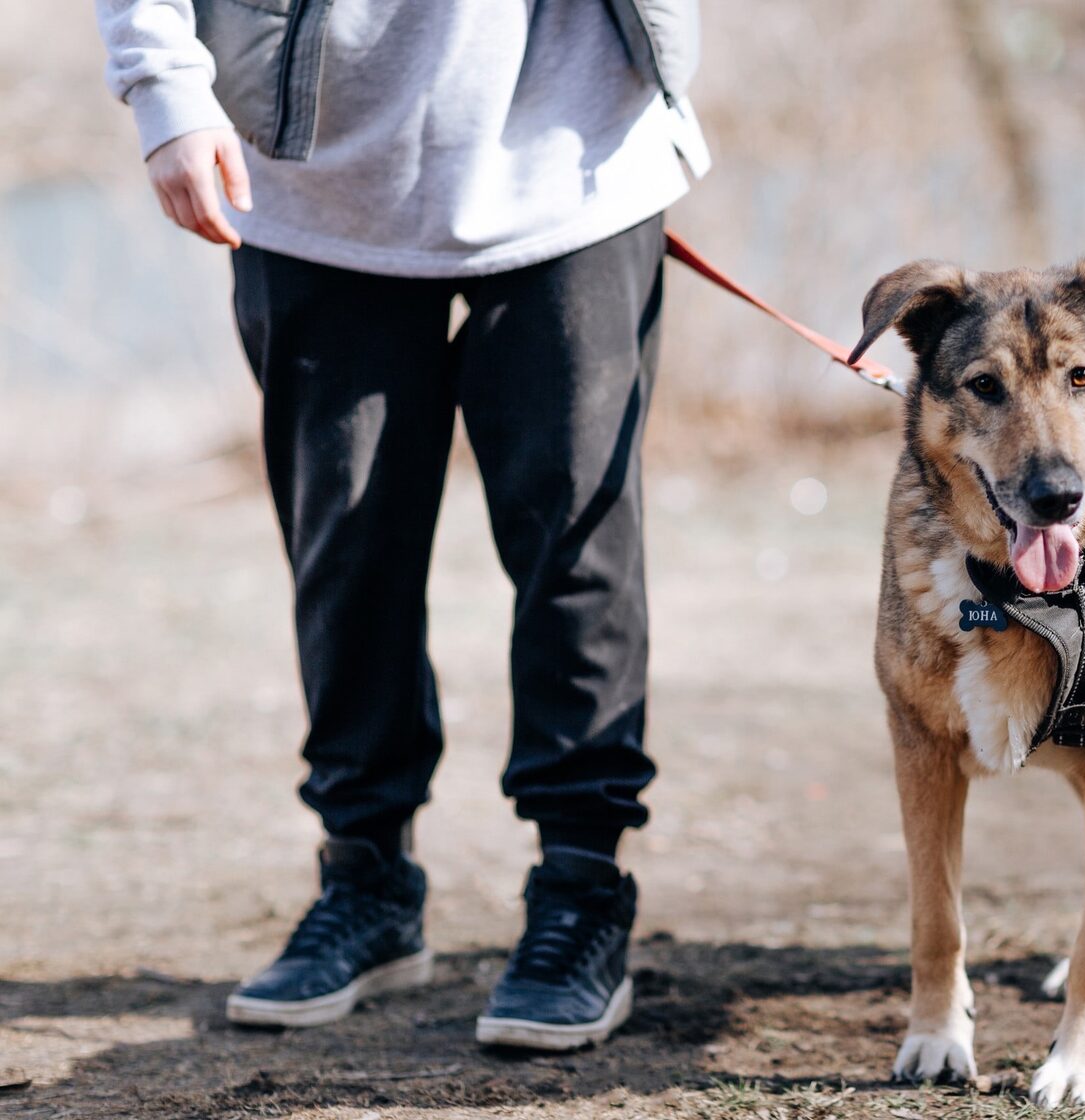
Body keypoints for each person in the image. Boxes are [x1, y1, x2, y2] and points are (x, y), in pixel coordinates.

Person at [95, 0, 707, 1051]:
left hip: (576, 158)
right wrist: (163, 88)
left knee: (579, 548)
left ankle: (580, 885)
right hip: (310, 177)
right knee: (349, 554)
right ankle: (366, 878)